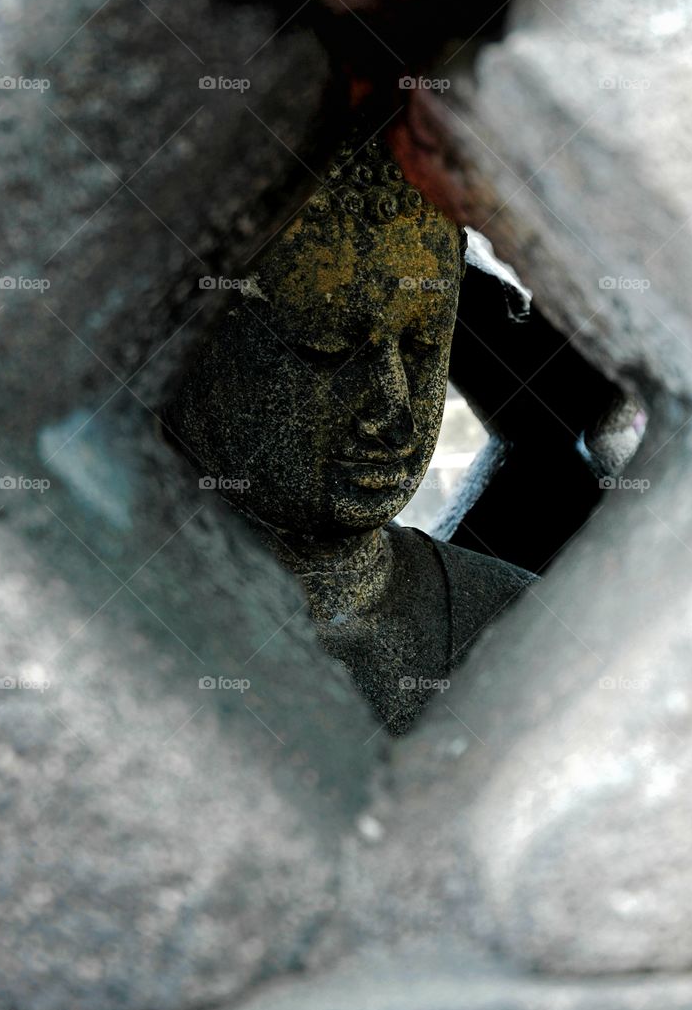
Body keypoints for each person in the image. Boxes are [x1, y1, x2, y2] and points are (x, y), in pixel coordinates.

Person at [166, 126, 535, 733]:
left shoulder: (524, 631)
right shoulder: (93, 624)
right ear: (187, 348)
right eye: (327, 351)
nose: (393, 412)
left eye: (420, 348)